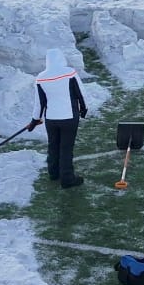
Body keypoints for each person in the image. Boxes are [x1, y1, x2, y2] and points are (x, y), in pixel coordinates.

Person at [28, 48, 89, 188]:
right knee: (66, 147)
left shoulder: (41, 77)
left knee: (53, 145)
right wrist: (84, 109)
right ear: (62, 58)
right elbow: (81, 93)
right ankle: (67, 178)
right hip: (69, 117)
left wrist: (34, 120)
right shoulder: (69, 73)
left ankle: (53, 173)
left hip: (51, 119)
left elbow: (40, 102)